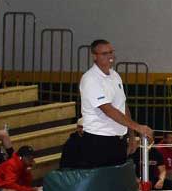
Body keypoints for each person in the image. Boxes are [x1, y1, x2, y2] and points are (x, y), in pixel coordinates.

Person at [61, 39, 153, 170]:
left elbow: (122, 105)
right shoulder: (90, 79)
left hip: (118, 140)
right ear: (95, 56)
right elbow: (108, 110)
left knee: (117, 184)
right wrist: (138, 127)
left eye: (111, 52)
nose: (109, 56)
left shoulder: (115, 76)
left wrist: (131, 135)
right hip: (99, 141)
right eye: (104, 53)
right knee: (102, 185)